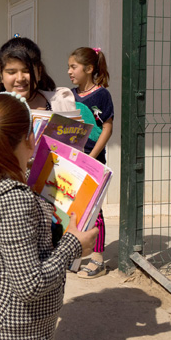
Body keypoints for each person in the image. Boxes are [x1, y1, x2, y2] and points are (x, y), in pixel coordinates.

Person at [0, 93, 98, 340]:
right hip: (13, 339)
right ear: (28, 139)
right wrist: (73, 245)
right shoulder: (13, 199)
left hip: (11, 329)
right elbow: (29, 285)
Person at [68, 46, 114, 279]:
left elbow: (107, 128)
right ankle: (74, 254)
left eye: (73, 67)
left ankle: (98, 260)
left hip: (92, 160)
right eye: (69, 67)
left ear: (89, 68)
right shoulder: (70, 95)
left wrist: (92, 156)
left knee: (94, 209)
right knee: (72, 208)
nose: (69, 71)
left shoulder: (102, 95)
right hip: (71, 160)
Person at [0, 37, 76, 112]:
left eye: (27, 71)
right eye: (11, 72)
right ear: (1, 76)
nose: (20, 78)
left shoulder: (61, 102)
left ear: (39, 72)